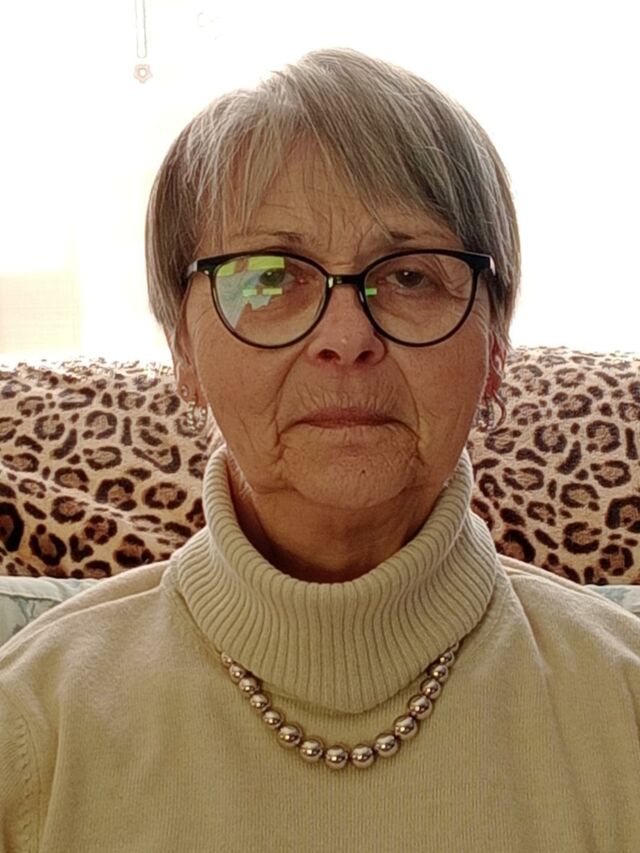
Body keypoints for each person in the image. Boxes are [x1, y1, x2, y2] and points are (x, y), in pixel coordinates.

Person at [1, 47, 639, 852]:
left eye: (410, 277)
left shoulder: (622, 703)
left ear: (496, 347)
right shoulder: (33, 724)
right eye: (269, 278)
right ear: (183, 351)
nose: (346, 336)